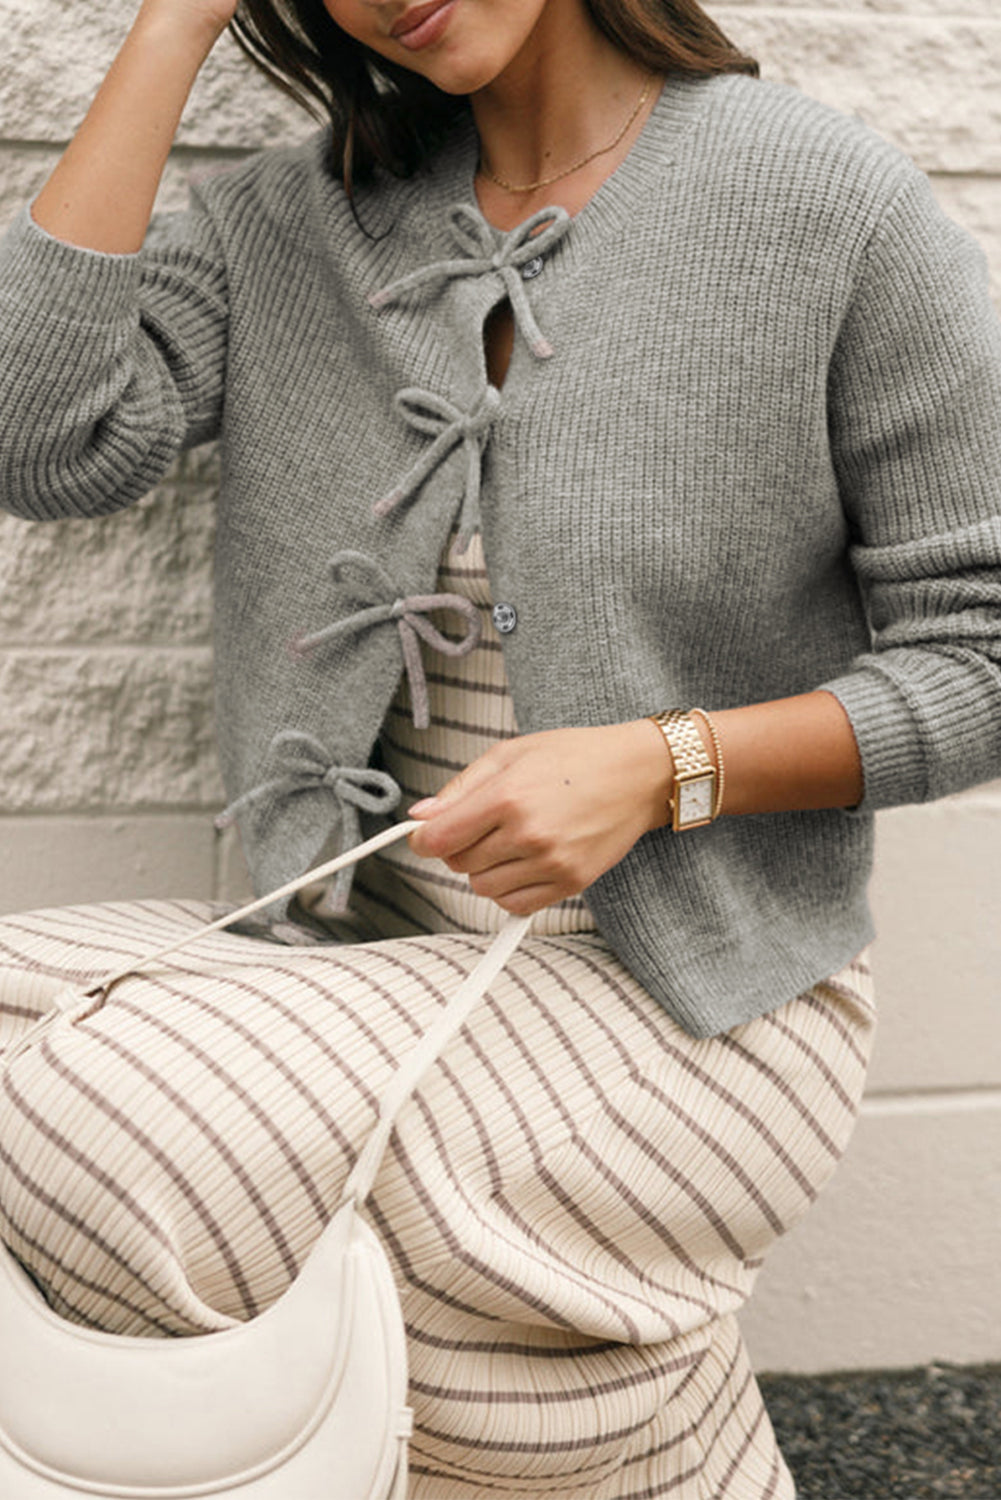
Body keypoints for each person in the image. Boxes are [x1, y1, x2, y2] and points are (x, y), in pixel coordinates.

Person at [0, 0, 999, 1493]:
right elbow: (47, 436)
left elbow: (980, 649)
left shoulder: (821, 201)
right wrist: (169, 29)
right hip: (355, 981)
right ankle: (660, 1439)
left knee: (110, 1114)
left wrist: (665, 762)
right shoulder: (293, 219)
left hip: (693, 1011)